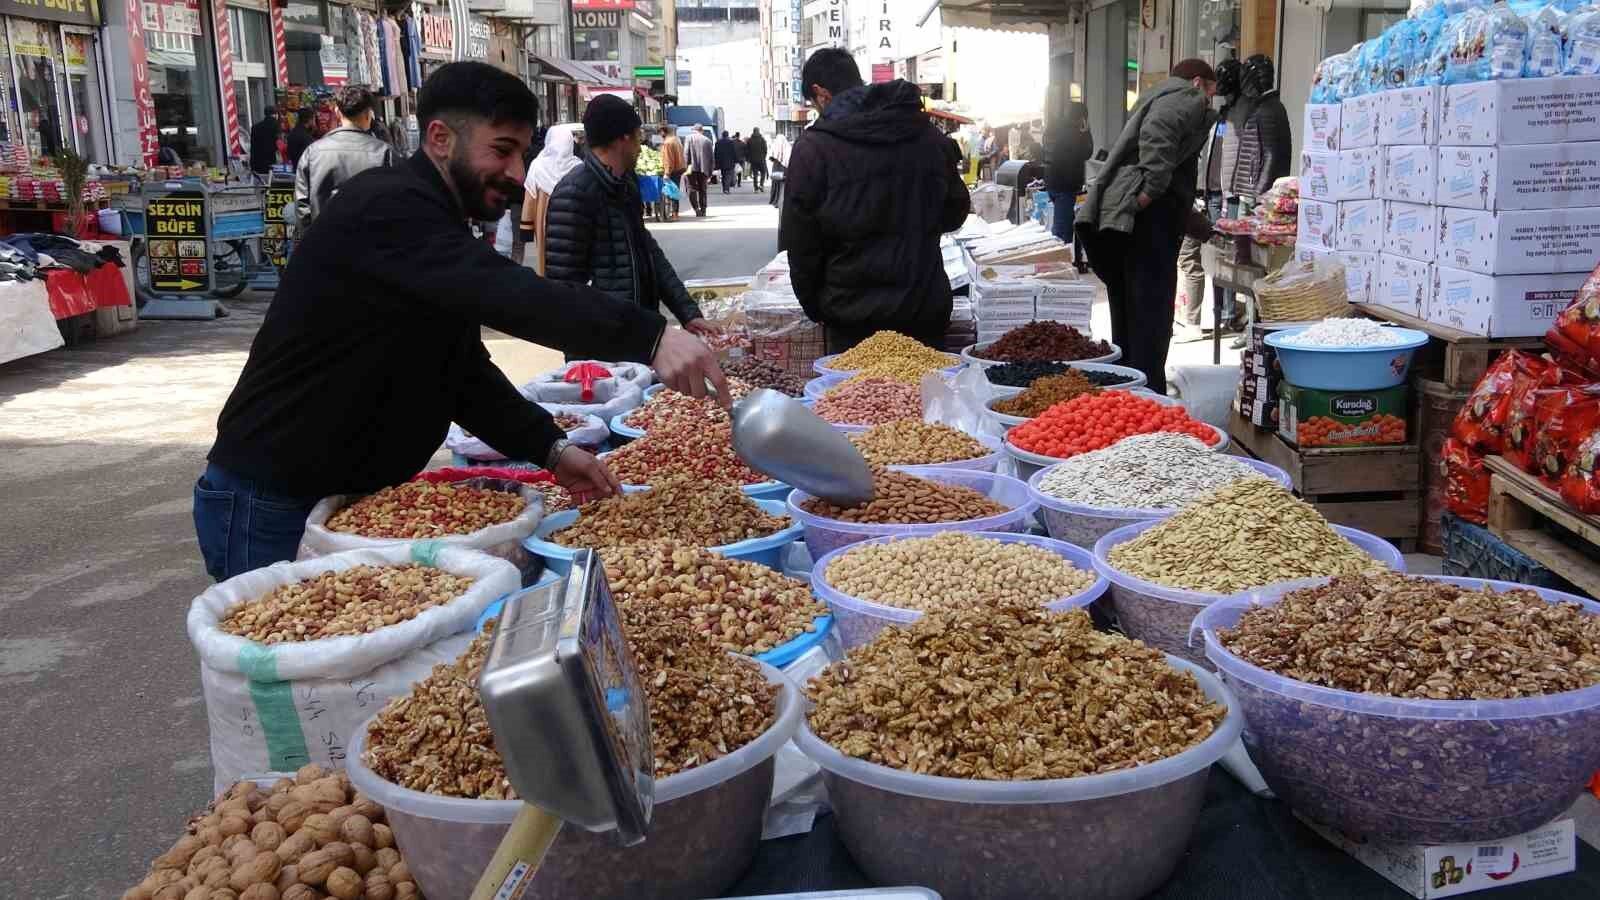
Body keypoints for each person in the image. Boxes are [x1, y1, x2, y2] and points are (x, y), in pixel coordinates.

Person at [193, 61, 725, 582]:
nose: (517, 174)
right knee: (286, 637)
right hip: (272, 496)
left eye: (522, 153)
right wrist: (650, 336)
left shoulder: (435, 222)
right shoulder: (389, 207)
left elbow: (458, 373)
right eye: (502, 150)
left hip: (343, 494)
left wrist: (552, 449)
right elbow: (510, 294)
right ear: (441, 138)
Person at [779, 48, 970, 354]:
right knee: (928, 386)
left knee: (861, 389)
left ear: (821, 94)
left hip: (852, 318)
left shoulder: (813, 149)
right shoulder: (924, 134)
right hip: (922, 308)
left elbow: (801, 245)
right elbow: (955, 213)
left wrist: (817, 307)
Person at [1075, 58, 1218, 395]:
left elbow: (1171, 180)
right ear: (1198, 82)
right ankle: (1147, 393)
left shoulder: (1155, 96)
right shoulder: (1186, 96)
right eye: (1211, 91)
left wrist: (1198, 223)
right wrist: (1148, 193)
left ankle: (1129, 390)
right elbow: (1159, 137)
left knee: (1130, 313)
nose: (1211, 99)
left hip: (1131, 224)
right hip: (1148, 227)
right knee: (1150, 317)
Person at [544, 95, 716, 339]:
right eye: (638, 137)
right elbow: (565, 290)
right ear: (623, 138)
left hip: (640, 330)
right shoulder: (574, 192)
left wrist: (688, 314)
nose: (640, 146)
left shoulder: (626, 183)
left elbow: (649, 253)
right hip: (603, 344)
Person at [1177, 58, 1242, 337]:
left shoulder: (1240, 115)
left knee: (1228, 256)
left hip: (1228, 194)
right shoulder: (1218, 116)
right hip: (1210, 191)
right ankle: (1218, 312)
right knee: (1215, 256)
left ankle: (1228, 313)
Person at [293, 85, 394, 229]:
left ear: (337, 112)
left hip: (326, 238)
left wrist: (313, 238)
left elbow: (303, 208)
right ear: (369, 114)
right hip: (373, 238)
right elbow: (399, 202)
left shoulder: (312, 153)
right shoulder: (385, 152)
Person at [519, 124, 583, 274]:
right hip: (573, 222)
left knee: (546, 259)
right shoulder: (578, 167)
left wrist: (526, 228)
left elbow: (530, 198)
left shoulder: (538, 166)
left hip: (544, 223)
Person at [1044, 102, 1093, 249]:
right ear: (1081, 117)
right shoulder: (1074, 133)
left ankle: (1064, 254)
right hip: (1065, 186)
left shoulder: (1054, 128)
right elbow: (1087, 152)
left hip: (1051, 182)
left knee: (1064, 222)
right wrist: (1086, 132)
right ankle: (1058, 257)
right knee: (1062, 231)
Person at [685, 124, 714, 216]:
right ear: (702, 131)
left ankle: (696, 209)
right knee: (703, 189)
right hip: (703, 168)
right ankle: (703, 209)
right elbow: (711, 158)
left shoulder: (689, 138)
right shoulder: (707, 140)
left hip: (691, 168)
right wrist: (710, 172)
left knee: (691, 188)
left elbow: (686, 153)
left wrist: (685, 168)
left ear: (694, 130)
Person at [659, 124, 687, 220]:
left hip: (674, 169)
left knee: (672, 191)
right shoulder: (675, 140)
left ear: (664, 132)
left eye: (660, 132)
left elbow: (668, 159)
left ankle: (675, 214)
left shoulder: (667, 143)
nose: (660, 135)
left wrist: (667, 173)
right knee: (675, 190)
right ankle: (675, 213)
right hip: (679, 168)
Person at [249, 107, 280, 176]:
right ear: (275, 115)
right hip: (272, 162)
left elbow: (253, 147)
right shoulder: (277, 126)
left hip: (258, 162)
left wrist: (252, 164)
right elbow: (279, 145)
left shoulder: (255, 127)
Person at [768, 129, 790, 207]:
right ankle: (782, 201)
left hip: (776, 167)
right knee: (783, 185)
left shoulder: (775, 145)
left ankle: (775, 201)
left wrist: (776, 158)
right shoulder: (787, 147)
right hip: (784, 168)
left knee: (776, 184)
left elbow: (771, 157)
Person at [714, 130, 738, 194]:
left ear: (722, 135)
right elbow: (734, 152)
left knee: (723, 175)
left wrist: (716, 161)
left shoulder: (718, 142)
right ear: (727, 135)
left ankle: (724, 188)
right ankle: (726, 189)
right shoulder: (731, 142)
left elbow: (715, 153)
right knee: (728, 176)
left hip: (721, 162)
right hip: (730, 162)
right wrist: (736, 160)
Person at [746, 127, 768, 192]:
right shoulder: (762, 139)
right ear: (758, 131)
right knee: (763, 172)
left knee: (755, 174)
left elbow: (747, 150)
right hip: (761, 159)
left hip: (753, 160)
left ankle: (755, 188)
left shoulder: (750, 140)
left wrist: (749, 159)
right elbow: (765, 149)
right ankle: (761, 185)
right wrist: (763, 157)